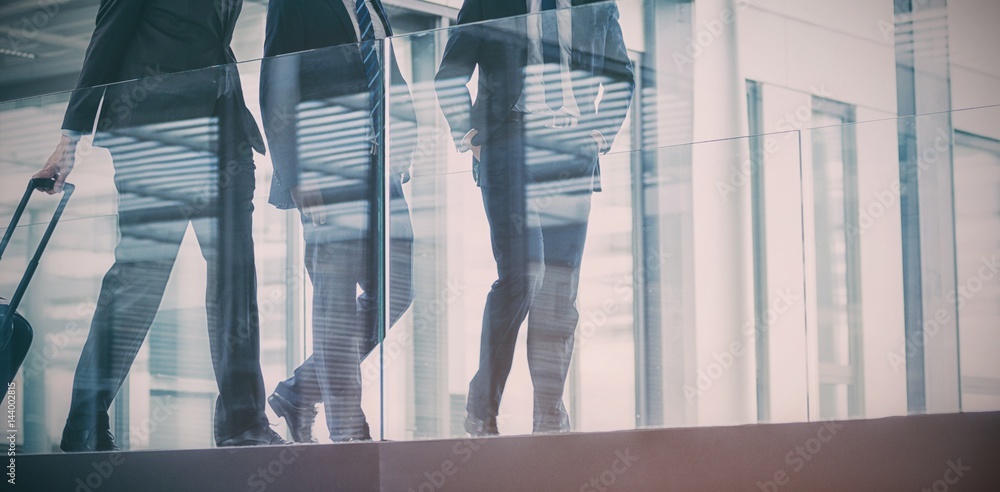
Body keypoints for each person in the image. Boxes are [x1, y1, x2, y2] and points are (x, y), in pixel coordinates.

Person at [34, 0, 283, 450]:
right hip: (157, 140)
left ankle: (243, 423)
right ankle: (84, 424)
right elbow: (104, 44)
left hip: (225, 136)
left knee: (236, 280)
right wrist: (69, 142)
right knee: (139, 281)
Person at [434, 0, 634, 435]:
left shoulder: (595, 4)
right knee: (524, 275)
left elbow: (621, 76)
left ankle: (549, 416)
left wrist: (598, 133)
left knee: (559, 292)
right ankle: (481, 409)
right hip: (510, 145)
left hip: (572, 151)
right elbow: (450, 73)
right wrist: (469, 134)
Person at [259, 0, 416, 442]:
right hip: (325, 172)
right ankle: (348, 428)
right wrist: (295, 175)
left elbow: (387, 66)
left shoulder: (371, 4)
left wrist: (407, 131)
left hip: (379, 169)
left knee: (399, 288)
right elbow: (277, 82)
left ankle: (298, 391)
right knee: (335, 301)